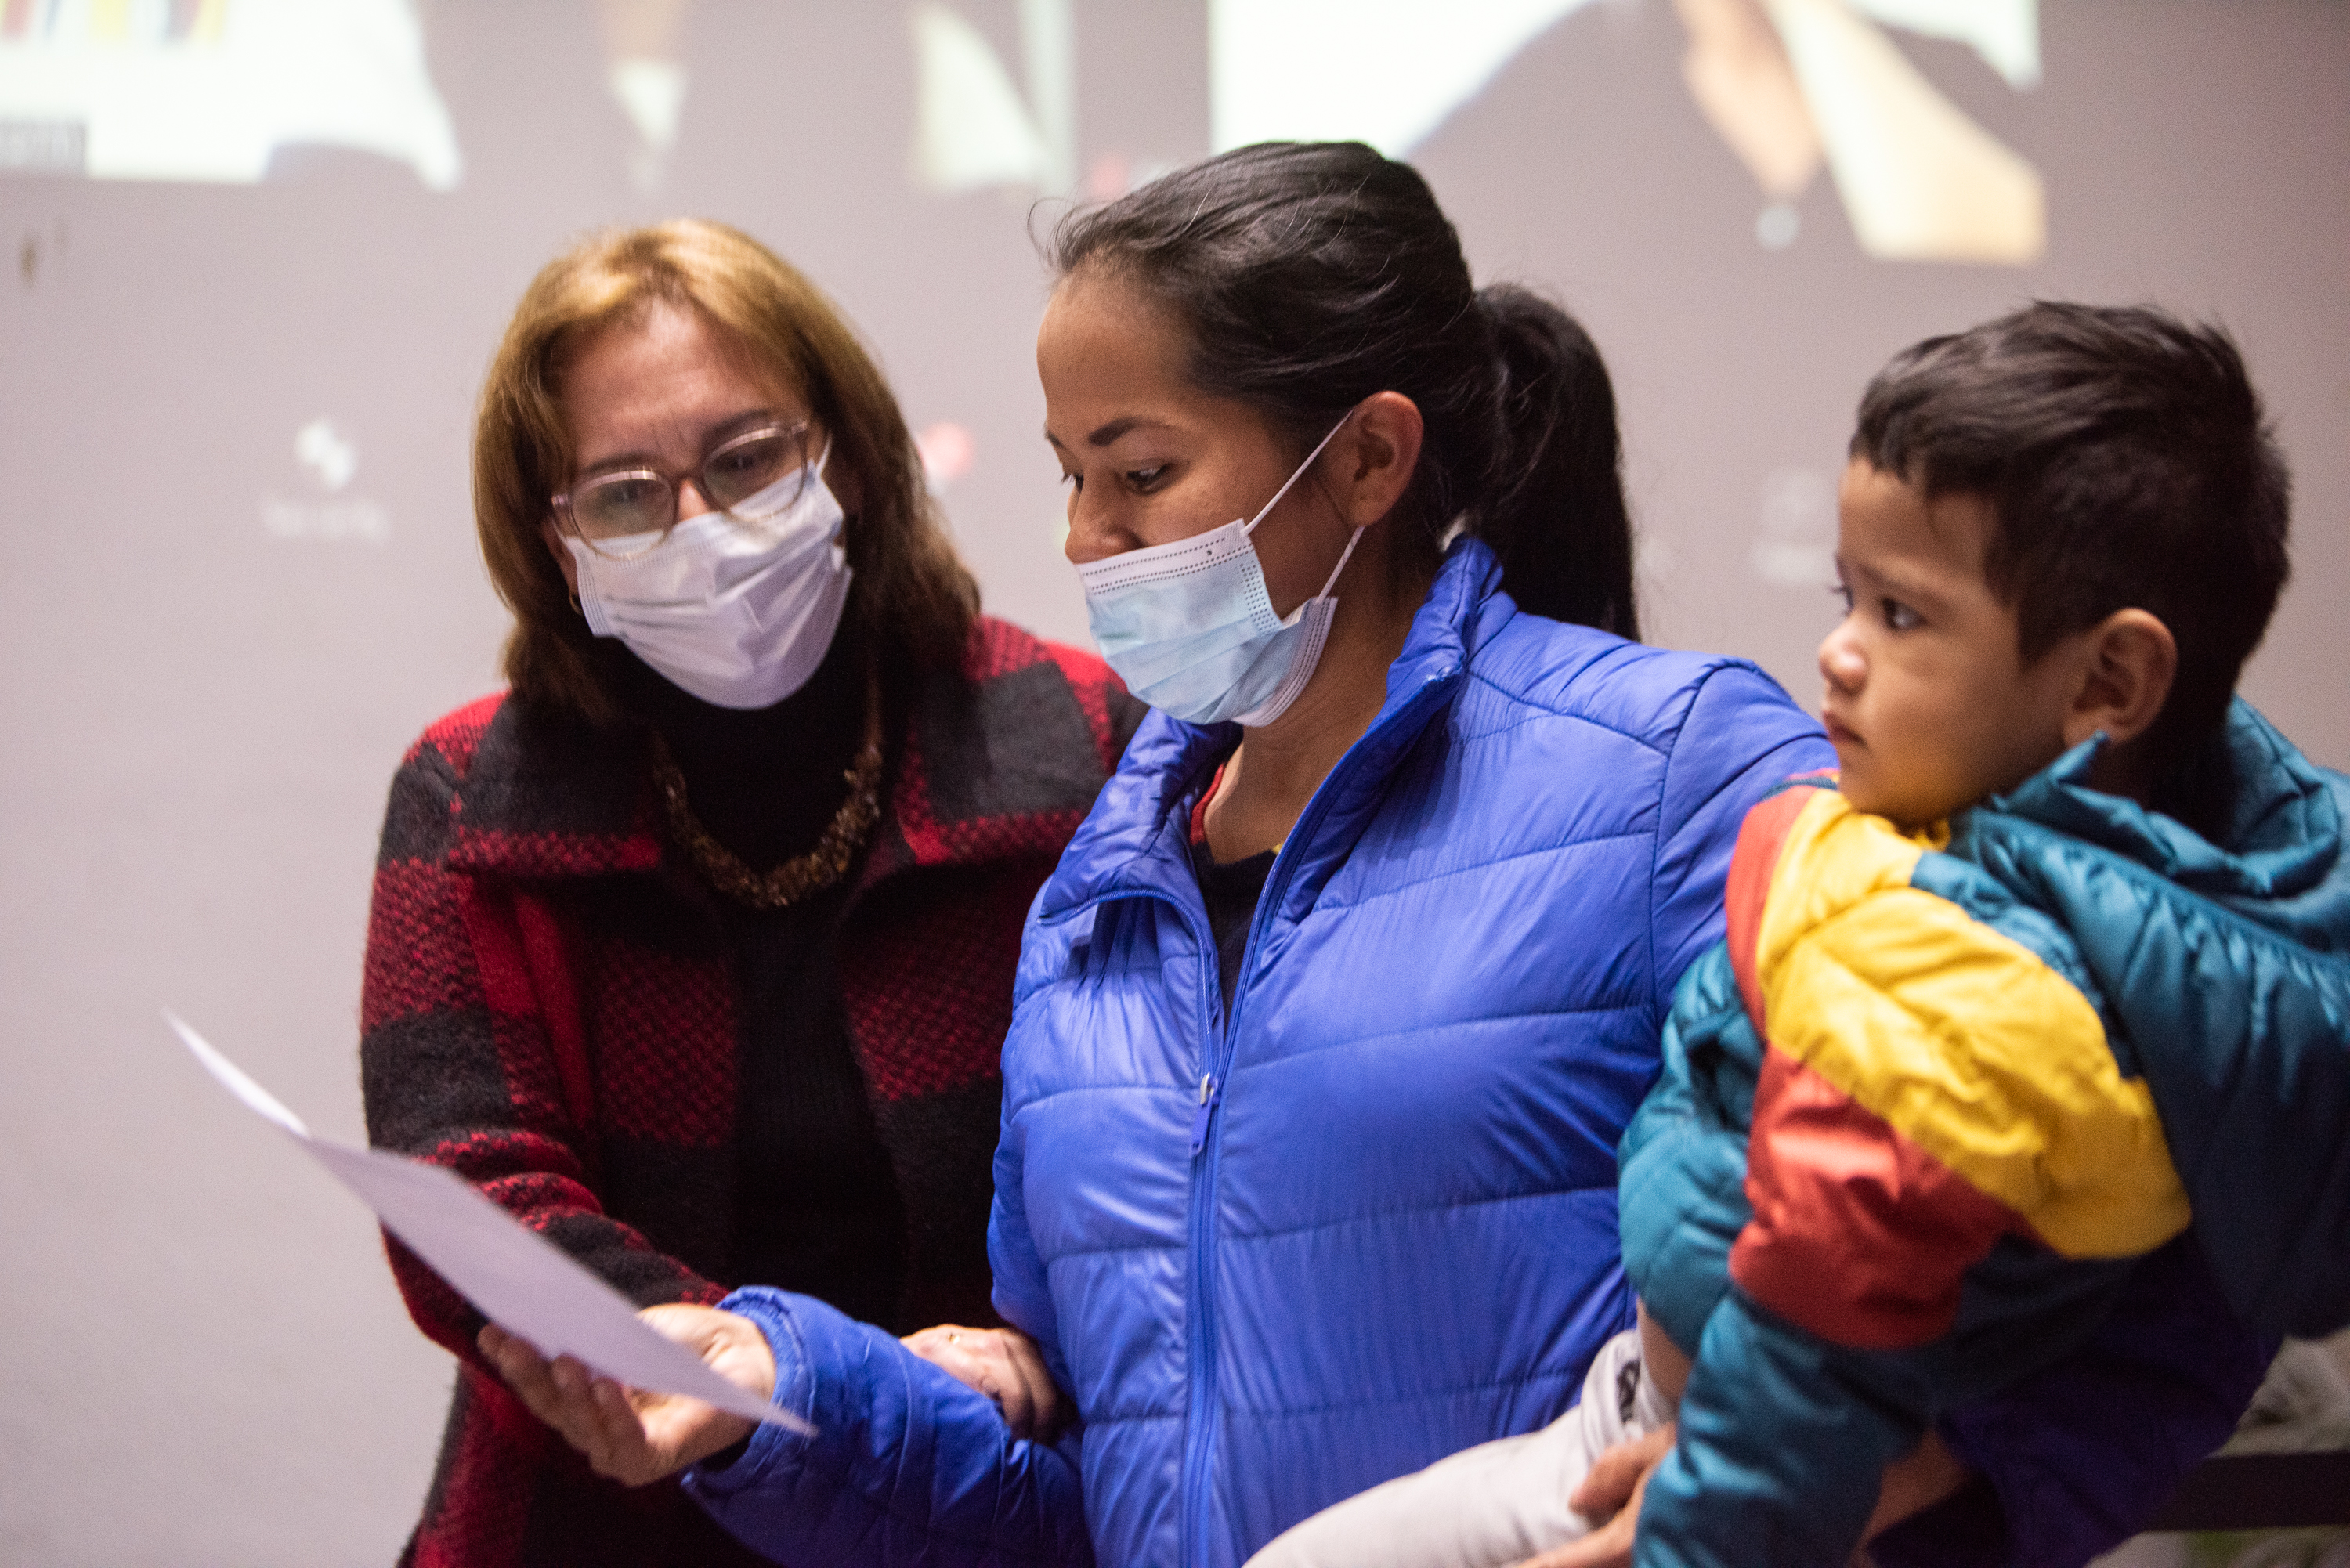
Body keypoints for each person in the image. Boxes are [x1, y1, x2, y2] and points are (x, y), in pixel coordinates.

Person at [482, 149, 2267, 1568]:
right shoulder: (1097, 896)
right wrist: (788, 1389)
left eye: (1140, 472)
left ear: (1366, 460)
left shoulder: (1681, 773)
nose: (1085, 539)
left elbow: (2194, 1169)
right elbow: (1079, 1495)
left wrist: (1908, 1477)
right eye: (1070, 475)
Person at [1255, 302, 2336, 1568]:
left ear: (2108, 684)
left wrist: (1709, 1530)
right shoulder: (2062, 845)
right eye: (1848, 595)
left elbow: (1817, 1332)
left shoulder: (1964, 975)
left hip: (1726, 1488)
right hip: (1685, 1438)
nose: (1839, 652)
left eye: (1903, 616)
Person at [361, 218, 1139, 1568]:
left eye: (747, 460)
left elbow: (1175, 1153)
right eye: (625, 496)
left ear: (849, 454)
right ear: (557, 544)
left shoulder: (1081, 740)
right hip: (597, 1512)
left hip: (977, 1496)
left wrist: (1000, 1367)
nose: (702, 528)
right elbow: (472, 1191)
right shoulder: (471, 793)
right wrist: (749, 1376)